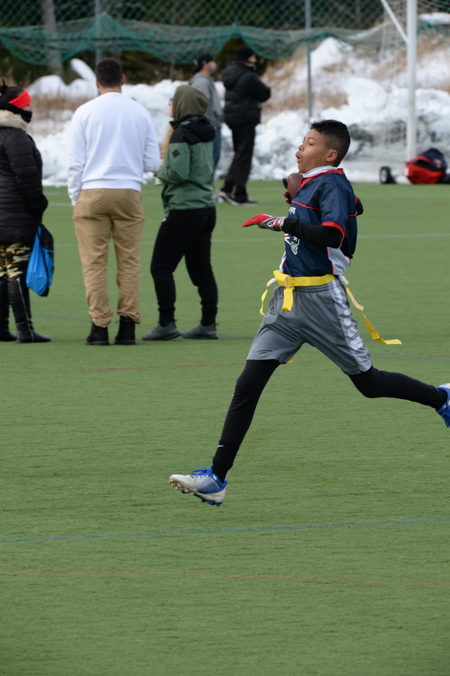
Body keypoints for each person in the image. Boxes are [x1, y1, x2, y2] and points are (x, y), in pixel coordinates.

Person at [169, 119, 450, 506]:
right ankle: (216, 477)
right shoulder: (319, 182)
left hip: (321, 300)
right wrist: (304, 199)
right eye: (302, 141)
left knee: (368, 384)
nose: (300, 148)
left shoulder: (331, 183)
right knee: (247, 386)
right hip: (286, 302)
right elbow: (353, 206)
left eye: (310, 143)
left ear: (330, 154)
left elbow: (332, 234)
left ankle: (441, 398)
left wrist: (281, 221)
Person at [68, 57, 160, 346]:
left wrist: (75, 196)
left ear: (97, 83)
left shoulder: (84, 112)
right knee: (129, 260)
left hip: (92, 190)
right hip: (128, 191)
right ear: (123, 80)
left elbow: (75, 163)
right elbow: (152, 162)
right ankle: (128, 324)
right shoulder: (139, 112)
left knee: (94, 263)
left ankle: (99, 326)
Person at [144, 85, 218, 341]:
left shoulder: (181, 134)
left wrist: (156, 170)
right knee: (201, 269)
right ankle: (208, 322)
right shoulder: (206, 130)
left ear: (182, 104)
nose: (169, 105)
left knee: (160, 267)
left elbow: (177, 172)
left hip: (184, 209)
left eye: (172, 100)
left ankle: (166, 322)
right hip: (206, 207)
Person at [0, 79, 50, 343]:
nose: (31, 109)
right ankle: (25, 329)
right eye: (27, 104)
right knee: (17, 270)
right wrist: (39, 205)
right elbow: (27, 178)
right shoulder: (16, 137)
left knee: (2, 272)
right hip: (15, 215)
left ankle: (1, 327)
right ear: (17, 108)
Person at [219, 45, 271, 205]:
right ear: (247, 58)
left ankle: (227, 188)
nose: (255, 59)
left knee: (239, 154)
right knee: (243, 156)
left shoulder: (230, 73)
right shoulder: (248, 76)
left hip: (232, 117)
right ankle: (239, 193)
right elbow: (265, 93)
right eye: (253, 57)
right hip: (245, 117)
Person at [190, 54, 223, 173]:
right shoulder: (201, 83)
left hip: (210, 127)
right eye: (212, 62)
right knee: (208, 164)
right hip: (209, 128)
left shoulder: (205, 81)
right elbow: (202, 107)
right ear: (205, 65)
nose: (215, 65)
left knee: (211, 162)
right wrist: (210, 125)